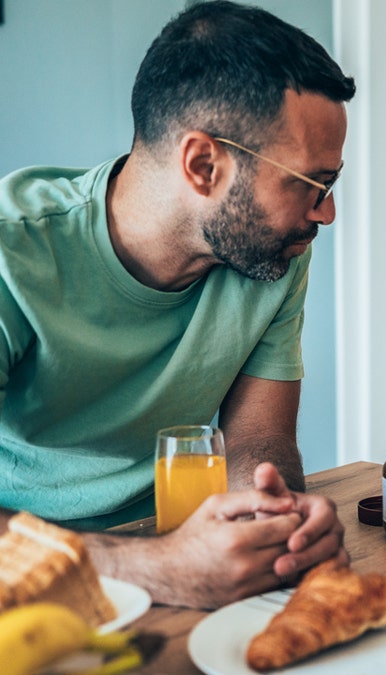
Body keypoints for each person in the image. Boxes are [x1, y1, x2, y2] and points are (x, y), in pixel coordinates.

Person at [0, 1, 355, 608]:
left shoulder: (271, 254)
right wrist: (155, 566)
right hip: (31, 582)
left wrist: (277, 522)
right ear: (202, 164)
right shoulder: (16, 250)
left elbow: (259, 442)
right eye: (309, 184)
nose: (326, 213)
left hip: (189, 558)